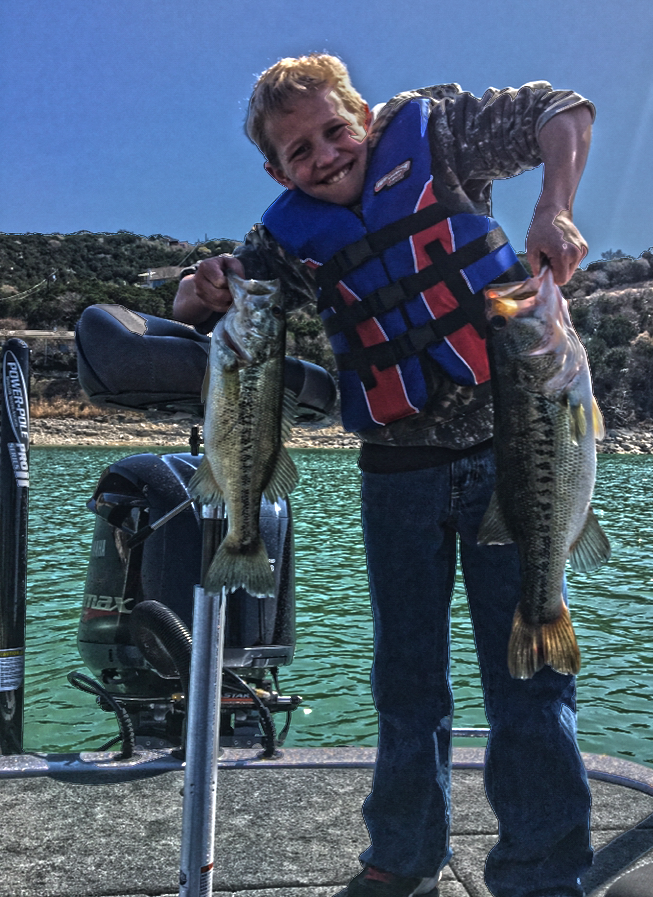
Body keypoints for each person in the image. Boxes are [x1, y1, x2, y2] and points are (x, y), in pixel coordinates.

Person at [174, 54, 595, 897]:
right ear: (275, 170)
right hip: (393, 471)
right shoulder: (281, 238)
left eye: (334, 131)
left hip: (513, 453)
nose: (324, 156)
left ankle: (542, 873)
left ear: (363, 116)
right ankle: (403, 853)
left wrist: (554, 205)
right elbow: (203, 307)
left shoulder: (438, 136)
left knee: (529, 678)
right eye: (299, 152)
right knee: (405, 679)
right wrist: (200, 288)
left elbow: (564, 109)